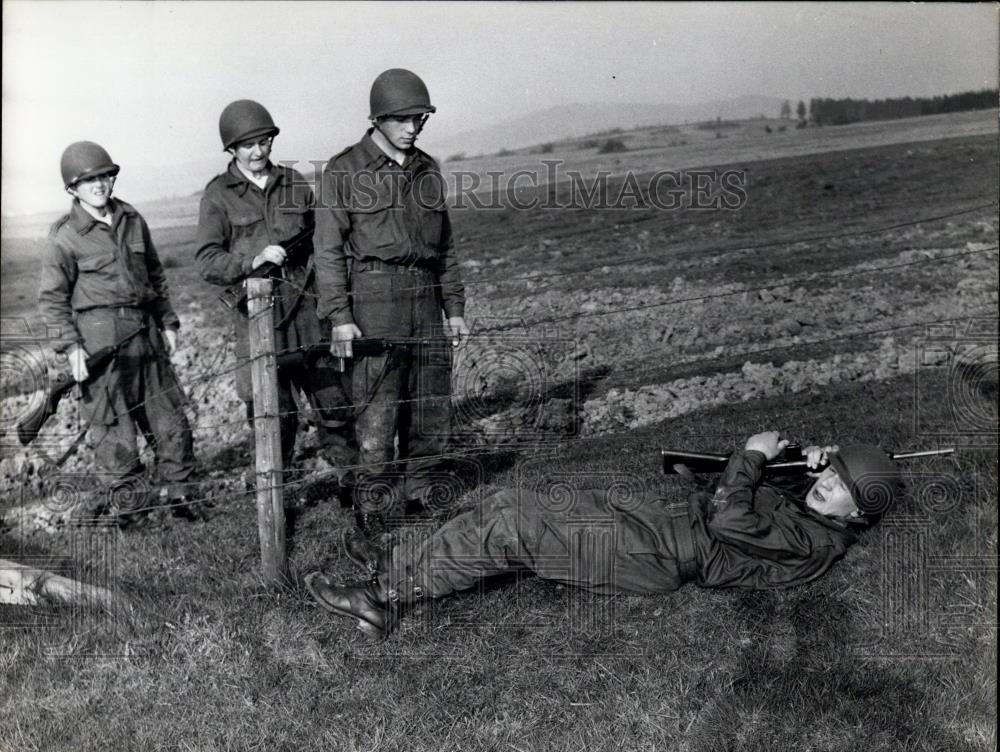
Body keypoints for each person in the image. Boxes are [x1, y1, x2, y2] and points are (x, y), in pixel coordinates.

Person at [305, 431, 901, 638]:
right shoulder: (818, 513)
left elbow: (730, 519)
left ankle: (382, 596)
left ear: (857, 516)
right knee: (509, 499)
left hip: (661, 555)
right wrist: (802, 461)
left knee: (515, 529)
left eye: (844, 486)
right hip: (663, 527)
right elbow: (779, 503)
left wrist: (749, 456)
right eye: (835, 472)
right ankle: (400, 557)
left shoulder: (817, 544)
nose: (829, 484)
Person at [313, 70, 469, 564]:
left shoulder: (427, 169)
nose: (413, 127)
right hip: (374, 299)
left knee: (430, 408)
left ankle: (423, 497)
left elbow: (444, 247)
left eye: (419, 118)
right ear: (378, 119)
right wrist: (340, 315)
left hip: (425, 297)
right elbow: (328, 252)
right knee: (377, 417)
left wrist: (455, 307)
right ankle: (376, 511)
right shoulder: (344, 171)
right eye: (403, 118)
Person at [195, 100, 354, 477]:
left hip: (306, 312)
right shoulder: (218, 195)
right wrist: (252, 260)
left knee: (334, 403)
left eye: (264, 141)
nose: (257, 151)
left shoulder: (294, 182)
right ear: (232, 149)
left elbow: (324, 238)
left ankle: (354, 485)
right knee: (273, 417)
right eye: (247, 144)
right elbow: (206, 261)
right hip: (258, 319)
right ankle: (272, 499)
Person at [38, 141, 196, 519]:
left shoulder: (131, 218)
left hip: (145, 333)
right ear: (73, 189)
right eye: (89, 180)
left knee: (169, 417)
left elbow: (154, 274)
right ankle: (132, 510)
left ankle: (181, 499)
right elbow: (52, 300)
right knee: (113, 428)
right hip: (99, 339)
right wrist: (72, 349)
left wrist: (168, 321)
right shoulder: (64, 236)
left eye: (104, 176)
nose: (99, 185)